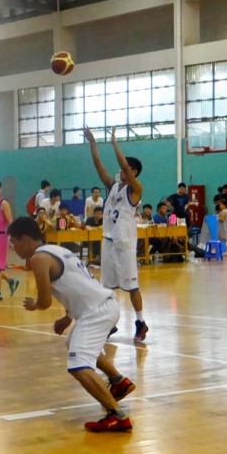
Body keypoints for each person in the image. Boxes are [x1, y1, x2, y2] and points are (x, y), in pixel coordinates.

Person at [8, 217, 134, 433]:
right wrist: (67, 317)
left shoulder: (39, 258)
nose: (13, 248)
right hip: (103, 306)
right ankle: (118, 381)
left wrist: (34, 304)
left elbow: (45, 302)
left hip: (97, 312)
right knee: (72, 341)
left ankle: (117, 416)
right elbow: (76, 284)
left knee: (78, 365)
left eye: (13, 242)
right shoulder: (57, 250)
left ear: (25, 238)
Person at [84, 127, 148, 342]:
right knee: (106, 288)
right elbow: (98, 165)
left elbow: (125, 166)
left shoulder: (135, 189)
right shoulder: (112, 186)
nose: (121, 170)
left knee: (131, 286)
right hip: (109, 242)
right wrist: (93, 143)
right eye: (121, 167)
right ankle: (108, 323)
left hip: (125, 244)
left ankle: (140, 322)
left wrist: (114, 144)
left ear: (134, 172)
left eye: (126, 168)